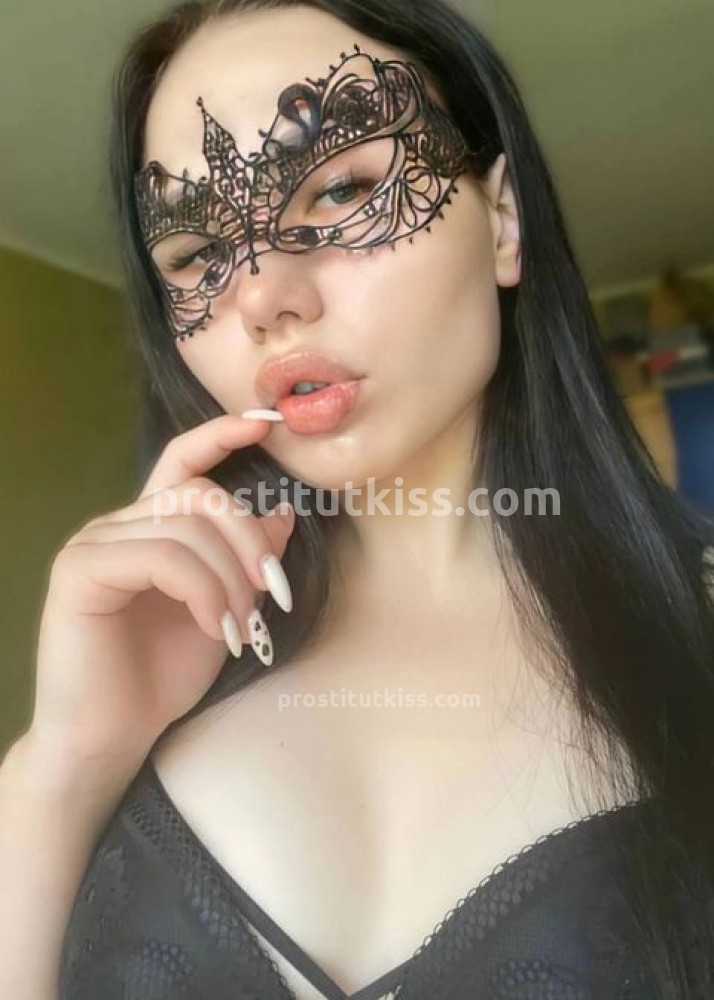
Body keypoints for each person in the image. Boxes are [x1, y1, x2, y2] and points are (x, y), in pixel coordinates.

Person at [1, 0, 713, 997]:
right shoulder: (151, 670)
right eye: (197, 255)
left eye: (341, 188)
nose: (262, 296)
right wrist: (65, 762)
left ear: (502, 221)